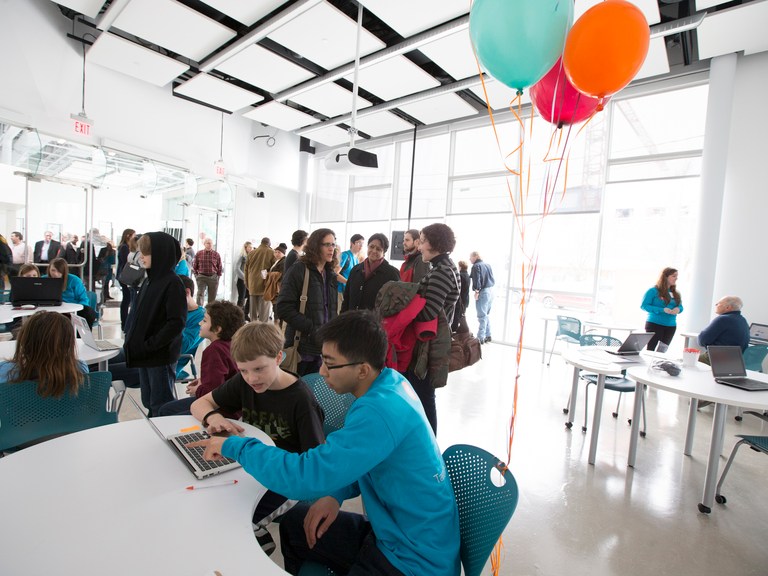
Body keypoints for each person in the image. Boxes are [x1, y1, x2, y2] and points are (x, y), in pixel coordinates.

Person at [189, 311, 460, 576]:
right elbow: (364, 460)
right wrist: (335, 494)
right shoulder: (390, 383)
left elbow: (304, 477)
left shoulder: (380, 412)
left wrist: (235, 445)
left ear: (363, 370)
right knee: (297, 524)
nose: (322, 371)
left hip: (413, 559)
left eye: (330, 364)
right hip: (393, 531)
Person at [189, 321, 325, 555]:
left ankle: (252, 538)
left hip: (285, 479)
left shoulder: (301, 400)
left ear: (279, 357)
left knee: (233, 522)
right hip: (250, 465)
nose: (252, 379)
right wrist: (212, 417)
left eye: (259, 369)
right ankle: (256, 536)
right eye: (243, 370)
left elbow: (314, 464)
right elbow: (200, 403)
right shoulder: (245, 382)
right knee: (209, 507)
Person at [124, 232, 187, 416]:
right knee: (149, 400)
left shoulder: (173, 283)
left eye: (145, 253)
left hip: (159, 355)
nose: (141, 256)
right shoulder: (149, 279)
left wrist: (150, 345)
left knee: (161, 403)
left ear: (160, 254)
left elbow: (176, 323)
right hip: (146, 353)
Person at [406, 223, 460, 433]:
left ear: (435, 243)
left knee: (423, 398)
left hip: (427, 346)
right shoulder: (446, 267)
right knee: (423, 397)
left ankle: (427, 449)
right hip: (430, 343)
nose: (419, 246)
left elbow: (428, 313)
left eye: (422, 240)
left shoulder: (441, 272)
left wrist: (405, 307)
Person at [158, 300, 243, 416]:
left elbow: (211, 392)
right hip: (235, 406)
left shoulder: (214, 351)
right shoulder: (231, 344)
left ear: (217, 329)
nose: (199, 324)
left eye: (204, 321)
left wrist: (197, 390)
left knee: (166, 412)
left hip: (221, 409)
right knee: (168, 409)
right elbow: (224, 378)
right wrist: (203, 380)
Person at [276, 228, 339, 375]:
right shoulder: (299, 270)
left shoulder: (330, 274)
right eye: (327, 245)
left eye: (333, 245)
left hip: (324, 349)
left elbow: (331, 309)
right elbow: (283, 308)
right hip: (302, 348)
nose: (331, 249)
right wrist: (312, 328)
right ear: (316, 246)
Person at [0, 311, 88, 392]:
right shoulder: (79, 369)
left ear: (25, 341)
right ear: (69, 344)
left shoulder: (6, 371)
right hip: (65, 409)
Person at [341, 233, 400, 312]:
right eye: (371, 247)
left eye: (378, 249)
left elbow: (395, 305)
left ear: (384, 252)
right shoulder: (355, 270)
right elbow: (346, 300)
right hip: (353, 321)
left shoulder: (392, 274)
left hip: (375, 323)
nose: (374, 251)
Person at [46, 258, 97, 328]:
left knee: (88, 312)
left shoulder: (74, 280)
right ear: (49, 270)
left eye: (59, 271)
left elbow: (83, 299)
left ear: (64, 272)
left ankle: (80, 337)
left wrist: (74, 310)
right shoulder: (44, 280)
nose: (55, 274)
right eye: (53, 270)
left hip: (73, 310)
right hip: (53, 310)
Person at [641, 267, 683, 351]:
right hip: (655, 324)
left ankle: (657, 364)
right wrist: (662, 310)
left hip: (671, 326)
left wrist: (678, 309)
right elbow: (644, 306)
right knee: (651, 350)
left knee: (662, 351)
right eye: (674, 276)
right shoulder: (653, 291)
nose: (676, 278)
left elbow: (681, 306)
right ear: (665, 277)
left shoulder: (676, 293)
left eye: (677, 276)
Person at [245, 237, 276, 322]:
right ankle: (262, 332)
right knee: (264, 313)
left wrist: (247, 284)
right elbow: (275, 269)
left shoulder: (251, 253)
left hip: (252, 285)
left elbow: (246, 270)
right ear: (269, 244)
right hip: (264, 286)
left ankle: (253, 329)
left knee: (253, 313)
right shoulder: (272, 253)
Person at [470, 251, 495, 344]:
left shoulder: (476, 266)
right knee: (485, 315)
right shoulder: (487, 265)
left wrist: (477, 291)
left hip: (483, 292)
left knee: (481, 316)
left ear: (475, 256)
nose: (470, 259)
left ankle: (480, 338)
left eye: (470, 257)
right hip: (490, 291)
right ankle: (488, 335)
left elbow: (477, 280)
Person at [337, 234, 364, 312]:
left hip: (349, 291)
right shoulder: (345, 255)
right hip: (340, 290)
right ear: (352, 243)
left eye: (362, 244)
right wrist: (348, 282)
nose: (361, 246)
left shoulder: (356, 258)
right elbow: (335, 273)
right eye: (359, 243)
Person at [116, 228, 136, 332]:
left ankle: (125, 323)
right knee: (126, 300)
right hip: (125, 277)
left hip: (124, 276)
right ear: (128, 236)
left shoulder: (124, 247)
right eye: (134, 235)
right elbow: (126, 263)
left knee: (127, 299)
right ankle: (124, 324)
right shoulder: (124, 248)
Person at [192, 237, 222, 305]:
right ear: (204, 244)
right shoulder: (199, 253)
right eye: (208, 243)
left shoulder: (216, 254)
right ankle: (199, 311)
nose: (210, 245)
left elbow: (219, 266)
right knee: (200, 294)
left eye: (211, 243)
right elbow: (194, 266)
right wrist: (196, 276)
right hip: (201, 277)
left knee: (212, 296)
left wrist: (218, 277)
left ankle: (210, 312)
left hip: (213, 277)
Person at [264, 243, 287, 324]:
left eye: (279, 252)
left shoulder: (284, 261)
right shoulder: (278, 261)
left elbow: (281, 274)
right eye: (275, 252)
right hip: (276, 287)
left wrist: (269, 274)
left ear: (283, 253)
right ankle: (276, 325)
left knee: (276, 308)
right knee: (275, 308)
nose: (277, 254)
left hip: (278, 288)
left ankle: (277, 326)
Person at [451, 260, 471, 332]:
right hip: (465, 299)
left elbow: (459, 289)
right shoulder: (467, 275)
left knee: (456, 316)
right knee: (460, 315)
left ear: (460, 267)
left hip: (460, 300)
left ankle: (454, 332)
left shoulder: (461, 276)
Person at [236, 241, 253, 317]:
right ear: (245, 248)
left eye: (251, 247)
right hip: (242, 280)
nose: (251, 248)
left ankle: (245, 314)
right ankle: (238, 315)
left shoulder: (251, 256)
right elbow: (237, 268)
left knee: (250, 297)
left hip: (250, 281)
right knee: (241, 298)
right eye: (249, 247)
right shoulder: (242, 256)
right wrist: (244, 277)